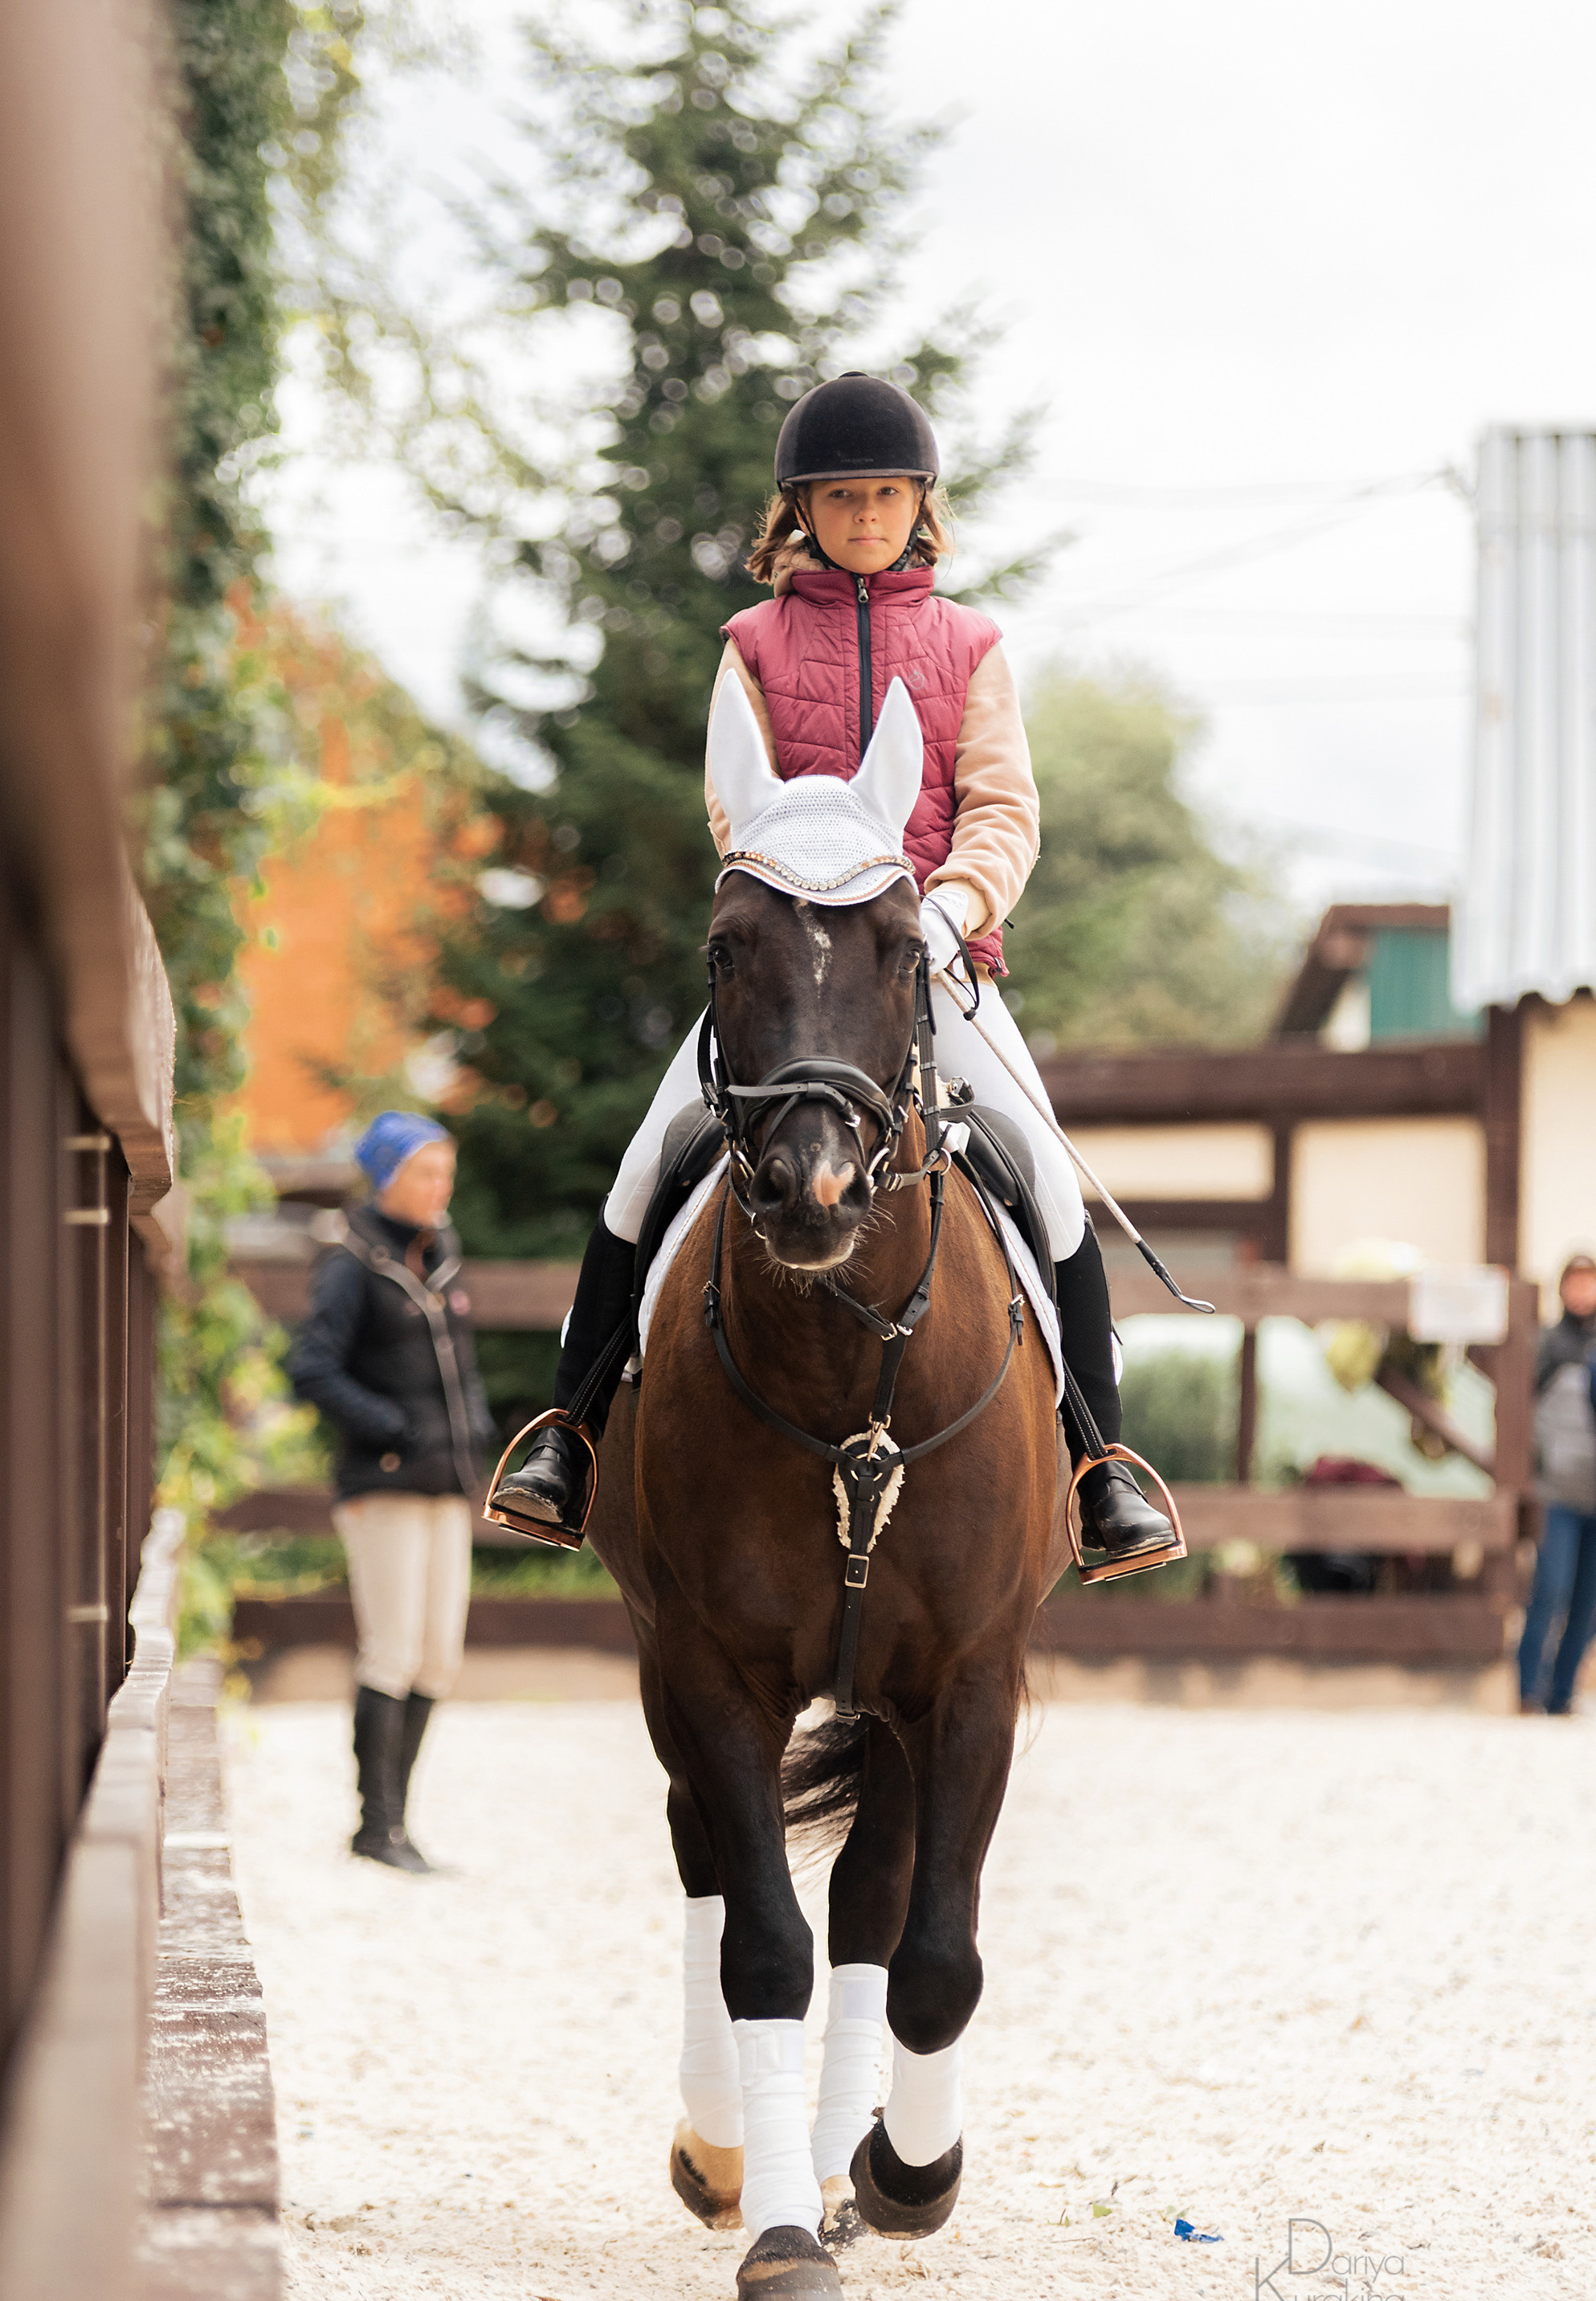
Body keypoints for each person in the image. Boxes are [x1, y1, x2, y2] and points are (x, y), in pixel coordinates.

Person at [492, 370, 1174, 1568]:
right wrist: (788, 904)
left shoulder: (970, 645)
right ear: (798, 510)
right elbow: (729, 796)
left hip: (929, 962)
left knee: (1045, 1179)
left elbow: (1002, 810)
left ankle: (1097, 1466)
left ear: (921, 504)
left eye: (885, 496)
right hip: (790, 966)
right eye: (840, 497)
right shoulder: (750, 644)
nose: (864, 516)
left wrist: (949, 913)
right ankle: (569, 1437)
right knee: (645, 1166)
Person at [290, 1112, 495, 1868]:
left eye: (446, 1171)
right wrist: (393, 1429)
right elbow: (312, 1368)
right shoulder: (350, 1259)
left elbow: (462, 1369)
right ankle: (375, 1828)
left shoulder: (440, 1253)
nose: (442, 1186)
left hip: (446, 1485)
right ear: (386, 1178)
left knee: (438, 1658)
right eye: (425, 1173)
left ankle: (398, 1825)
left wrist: (473, 1431)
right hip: (382, 1487)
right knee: (392, 1650)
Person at [1516, 1252, 1596, 1715]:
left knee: (1590, 1600)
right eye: (1574, 1283)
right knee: (1550, 1588)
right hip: (1556, 1491)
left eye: (1589, 1284)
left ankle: (1562, 1691)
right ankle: (1528, 1689)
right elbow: (1521, 1416)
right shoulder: (1546, 1346)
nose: (1582, 1293)